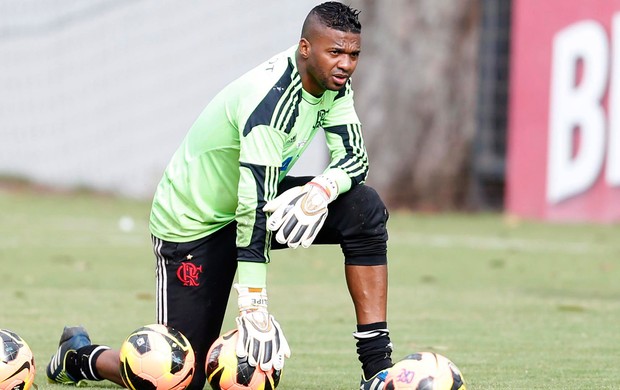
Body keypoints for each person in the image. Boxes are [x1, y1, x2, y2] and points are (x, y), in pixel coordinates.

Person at [45, 2, 394, 389]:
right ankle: (81, 357)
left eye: (353, 54)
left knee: (364, 208)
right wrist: (254, 307)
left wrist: (319, 191)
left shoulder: (333, 85)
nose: (346, 64)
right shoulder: (271, 102)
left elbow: (355, 158)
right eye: (335, 52)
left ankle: (377, 369)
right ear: (305, 48)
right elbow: (253, 209)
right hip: (193, 224)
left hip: (249, 197)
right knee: (176, 375)